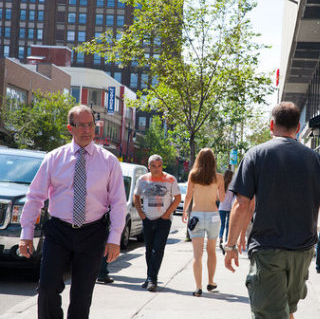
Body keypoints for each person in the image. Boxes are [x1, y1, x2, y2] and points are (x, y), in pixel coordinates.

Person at [224, 102, 320, 319]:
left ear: (272, 124)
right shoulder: (315, 159)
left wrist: (231, 244)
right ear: (298, 127)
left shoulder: (255, 155)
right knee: (286, 311)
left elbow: (241, 205)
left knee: (269, 315)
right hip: (302, 252)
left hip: (268, 249)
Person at [19, 104, 127, 319]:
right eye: (81, 126)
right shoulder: (54, 158)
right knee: (47, 289)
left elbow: (118, 202)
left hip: (93, 233)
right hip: (58, 232)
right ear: (70, 128)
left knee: (81, 295)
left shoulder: (109, 162)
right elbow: (35, 197)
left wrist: (114, 238)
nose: (86, 130)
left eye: (90, 125)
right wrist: (26, 234)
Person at [134, 154, 181, 292]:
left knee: (157, 250)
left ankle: (152, 280)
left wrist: (167, 214)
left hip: (163, 220)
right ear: (149, 166)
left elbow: (177, 198)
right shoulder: (142, 180)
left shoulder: (170, 179)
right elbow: (136, 197)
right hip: (147, 219)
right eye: (153, 166)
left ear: (162, 166)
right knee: (149, 250)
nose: (157, 168)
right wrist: (141, 214)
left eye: (159, 165)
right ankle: (150, 277)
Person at [182, 148, 225, 297]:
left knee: (197, 255)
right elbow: (222, 199)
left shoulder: (193, 175)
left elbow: (188, 196)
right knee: (212, 251)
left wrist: (184, 212)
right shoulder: (219, 177)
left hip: (197, 215)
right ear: (213, 160)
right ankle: (211, 282)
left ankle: (198, 287)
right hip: (213, 216)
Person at [218, 170, 235, 253]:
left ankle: (220, 237)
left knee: (222, 225)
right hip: (230, 208)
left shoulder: (222, 185)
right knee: (228, 226)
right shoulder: (232, 186)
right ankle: (225, 242)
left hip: (221, 207)